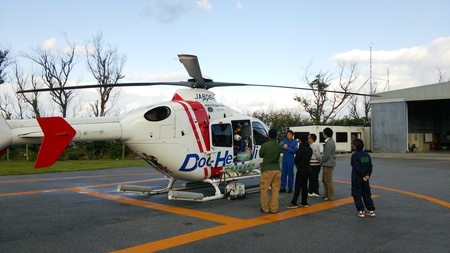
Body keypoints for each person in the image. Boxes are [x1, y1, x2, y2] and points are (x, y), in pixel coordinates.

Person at [259, 129, 283, 214]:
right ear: (276, 135)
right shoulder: (279, 146)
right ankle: (274, 208)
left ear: (268, 135)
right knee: (275, 190)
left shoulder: (265, 145)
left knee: (264, 190)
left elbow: (260, 154)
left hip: (267, 169)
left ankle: (265, 208)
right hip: (276, 169)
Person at [285, 134, 312, 208]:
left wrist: (297, 164)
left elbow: (297, 159)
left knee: (298, 186)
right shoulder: (309, 149)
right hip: (307, 169)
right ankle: (304, 201)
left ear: (300, 140)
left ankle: (294, 202)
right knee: (304, 186)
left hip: (301, 169)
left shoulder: (301, 149)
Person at [351, 139, 376, 218]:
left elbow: (356, 167)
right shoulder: (366, 155)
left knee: (357, 194)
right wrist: (367, 175)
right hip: (366, 179)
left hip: (357, 178)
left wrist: (362, 176)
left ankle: (360, 210)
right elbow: (370, 166)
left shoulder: (354, 155)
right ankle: (371, 210)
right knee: (366, 193)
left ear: (355, 146)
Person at [320, 127, 336, 201]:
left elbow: (326, 155)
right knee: (324, 180)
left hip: (328, 164)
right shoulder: (329, 142)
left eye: (323, 133)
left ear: (325, 134)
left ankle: (330, 196)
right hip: (326, 164)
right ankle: (326, 195)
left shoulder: (330, 142)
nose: (323, 134)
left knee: (328, 181)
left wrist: (320, 162)